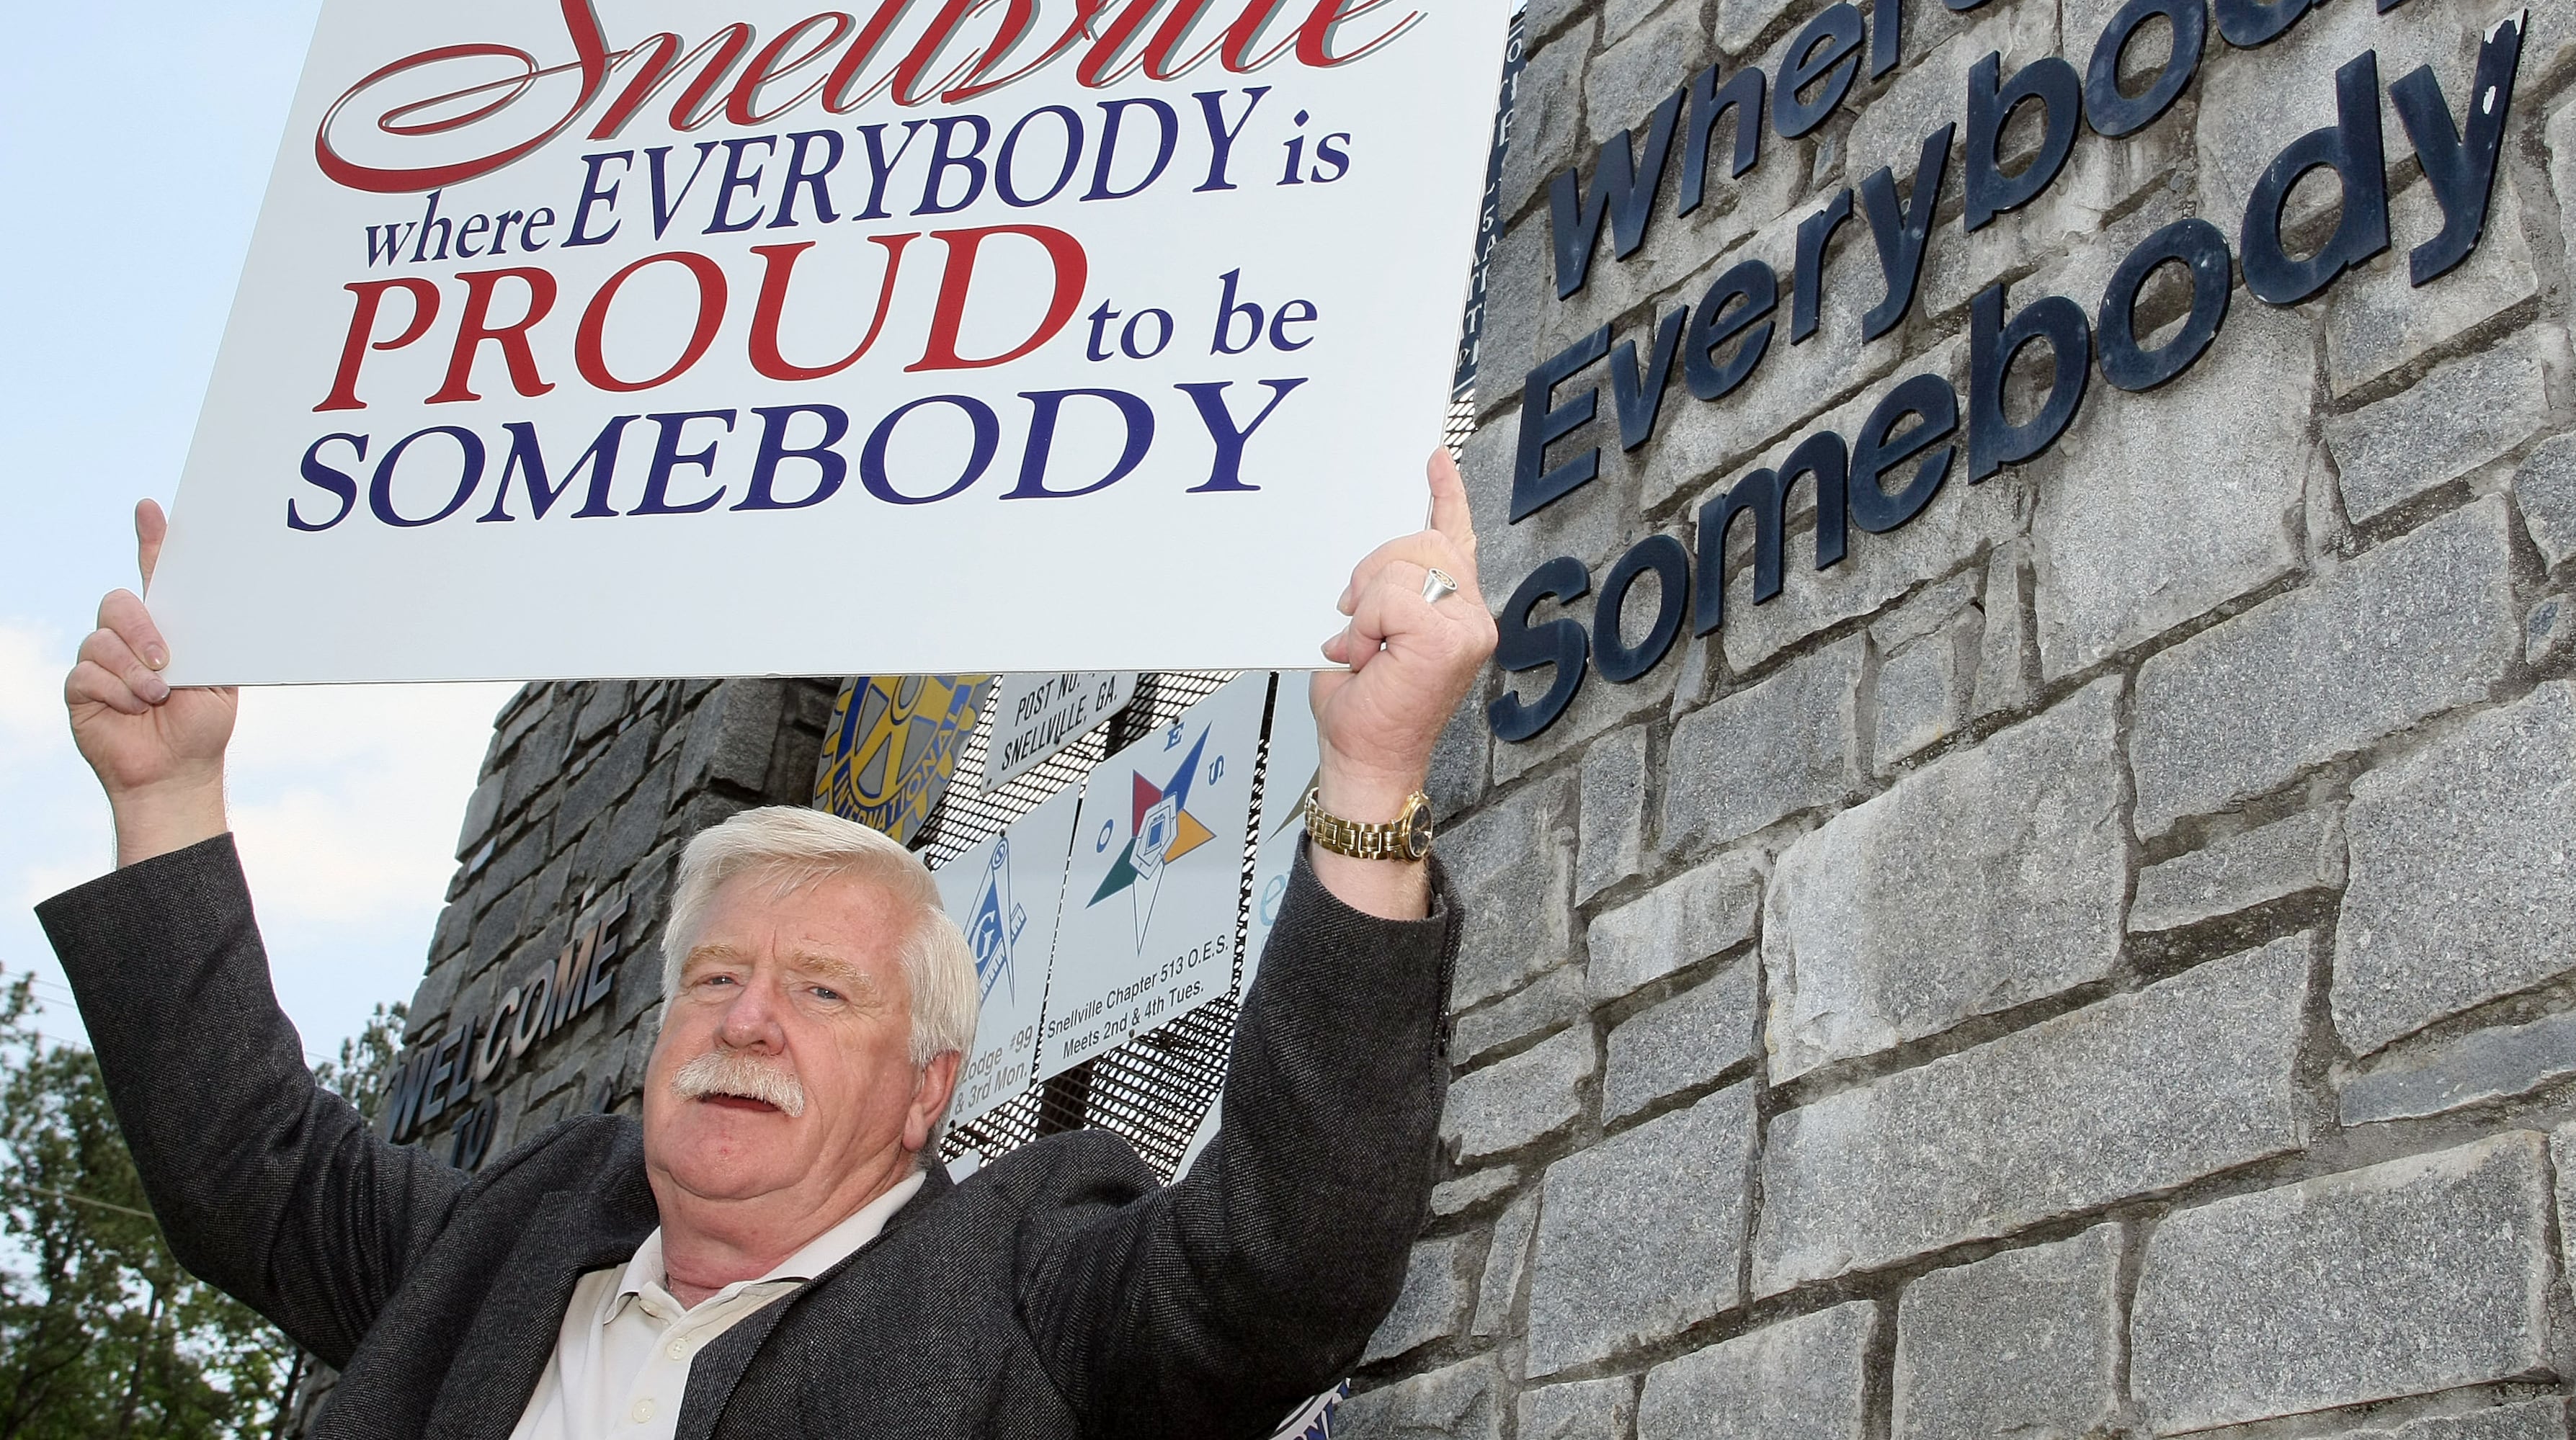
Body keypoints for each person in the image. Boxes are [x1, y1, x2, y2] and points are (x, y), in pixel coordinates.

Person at [43, 453, 1498, 1440]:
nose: (747, 1021)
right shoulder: (489, 1254)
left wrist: (1368, 785)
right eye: (718, 979)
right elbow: (247, 1166)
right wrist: (167, 796)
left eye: (819, 991)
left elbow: (1278, 1267)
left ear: (930, 1089)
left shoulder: (1025, 1287)